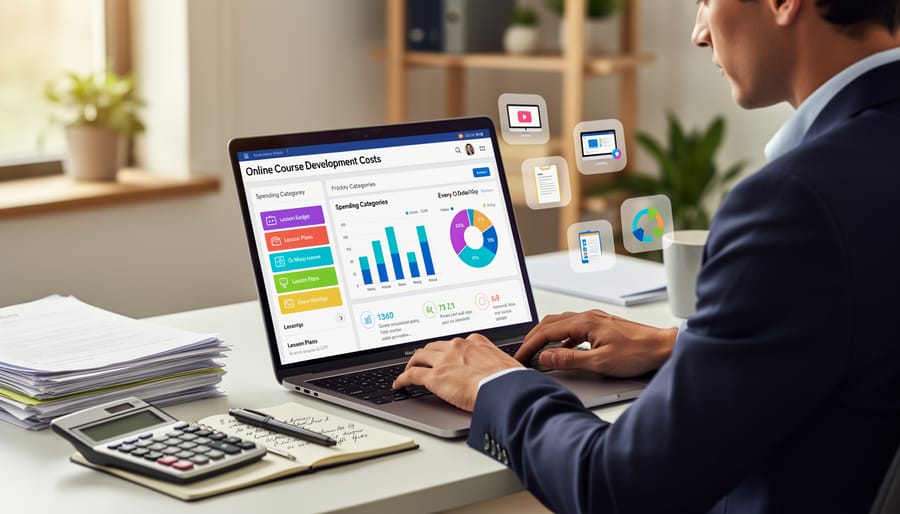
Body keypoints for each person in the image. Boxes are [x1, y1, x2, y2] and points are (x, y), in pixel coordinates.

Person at [393, 1, 900, 512]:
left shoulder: (794, 203)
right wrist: (681, 347)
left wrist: (494, 384)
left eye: (706, 1)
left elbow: (618, 489)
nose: (700, 33)